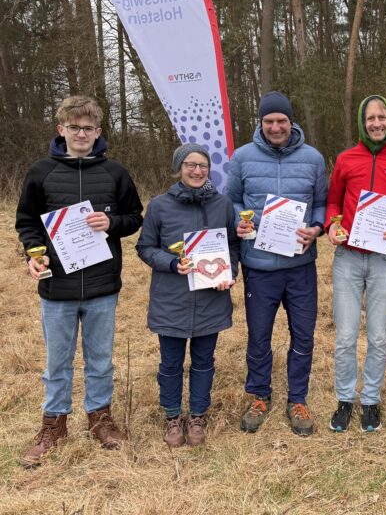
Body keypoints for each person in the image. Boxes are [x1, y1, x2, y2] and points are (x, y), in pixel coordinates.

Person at [15, 95, 143, 467]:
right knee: (57, 362)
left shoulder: (115, 173)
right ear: (61, 130)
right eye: (74, 127)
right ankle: (53, 425)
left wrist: (112, 224)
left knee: (100, 360)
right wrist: (33, 256)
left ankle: (100, 420)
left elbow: (134, 217)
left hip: (103, 286)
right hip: (57, 286)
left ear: (98, 131)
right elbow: (27, 222)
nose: (81, 133)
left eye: (88, 127)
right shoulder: (41, 172)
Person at [227, 91, 327, 437]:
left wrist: (316, 228)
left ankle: (297, 399)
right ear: (261, 123)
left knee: (303, 335)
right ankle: (259, 396)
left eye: (281, 120)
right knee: (259, 337)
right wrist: (240, 221)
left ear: (291, 121)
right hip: (259, 265)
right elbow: (233, 199)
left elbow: (321, 203)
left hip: (300, 266)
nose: (275, 127)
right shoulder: (242, 157)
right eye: (268, 121)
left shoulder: (313, 158)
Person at [326, 95, 386, 433]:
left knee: (379, 338)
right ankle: (344, 399)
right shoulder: (345, 160)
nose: (376, 123)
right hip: (348, 260)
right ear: (361, 122)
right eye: (370, 118)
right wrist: (332, 226)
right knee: (346, 337)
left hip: (384, 260)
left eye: (382, 117)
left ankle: (369, 400)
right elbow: (333, 201)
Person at [136, 144, 238, 447]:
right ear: (178, 168)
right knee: (170, 363)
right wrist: (170, 262)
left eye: (202, 165)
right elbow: (144, 247)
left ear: (209, 170)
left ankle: (197, 416)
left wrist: (228, 273)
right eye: (190, 165)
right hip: (171, 298)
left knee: (205, 360)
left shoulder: (223, 204)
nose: (197, 171)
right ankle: (172, 416)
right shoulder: (159, 206)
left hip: (210, 298)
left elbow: (232, 245)